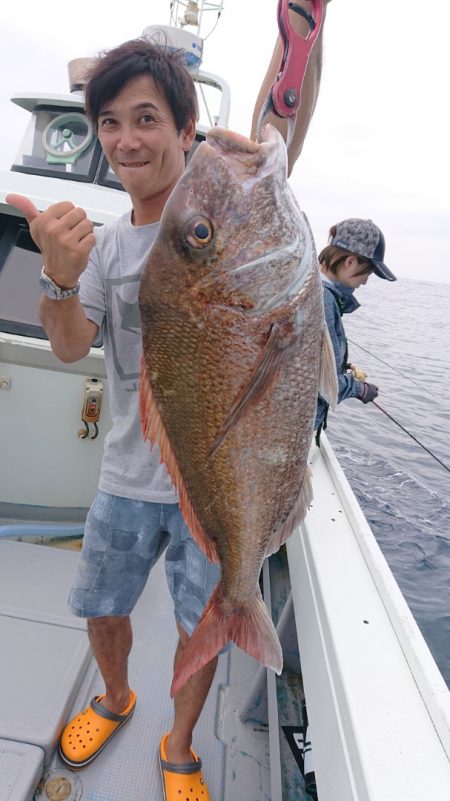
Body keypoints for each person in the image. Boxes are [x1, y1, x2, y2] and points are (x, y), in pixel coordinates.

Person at [6, 3, 329, 798]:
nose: (125, 140)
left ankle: (179, 743)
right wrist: (56, 275)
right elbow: (76, 346)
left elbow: (283, 114)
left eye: (146, 118)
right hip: (124, 476)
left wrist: (307, 32)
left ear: (187, 129)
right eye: (108, 122)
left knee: (201, 616)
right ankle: (117, 697)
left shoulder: (220, 215)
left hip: (217, 490)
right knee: (102, 606)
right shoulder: (106, 244)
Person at [315, 217, 397, 443]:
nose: (365, 282)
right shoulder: (324, 300)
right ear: (350, 262)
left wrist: (341, 366)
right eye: (367, 273)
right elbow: (321, 384)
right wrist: (359, 389)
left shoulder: (314, 289)